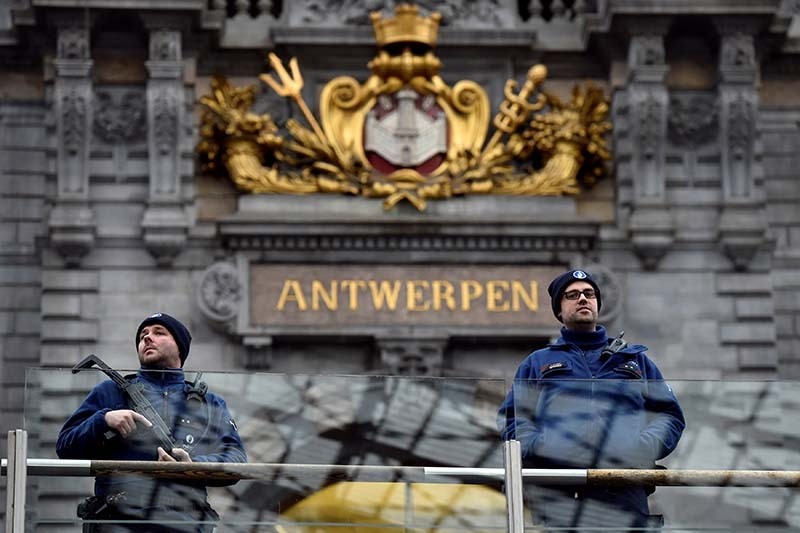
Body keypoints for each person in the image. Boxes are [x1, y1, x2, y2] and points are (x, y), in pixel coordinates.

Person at [497, 269, 685, 530]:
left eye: (589, 294)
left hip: (624, 492)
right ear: (559, 311)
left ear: (597, 303)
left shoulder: (635, 360)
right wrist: (545, 447)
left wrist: (641, 446)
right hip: (561, 493)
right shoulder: (537, 362)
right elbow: (514, 421)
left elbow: (669, 416)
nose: (583, 299)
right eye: (572, 295)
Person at [57, 312, 248, 533]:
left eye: (159, 333)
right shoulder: (110, 392)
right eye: (142, 335)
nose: (147, 338)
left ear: (180, 347)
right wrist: (104, 419)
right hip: (120, 521)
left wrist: (193, 464)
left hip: (185, 522)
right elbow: (65, 446)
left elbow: (236, 461)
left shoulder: (210, 403)